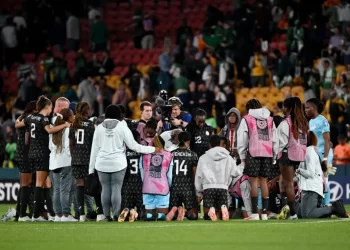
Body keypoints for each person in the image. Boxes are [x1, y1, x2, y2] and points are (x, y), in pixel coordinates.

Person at [89, 105, 157, 220]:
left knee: (105, 189)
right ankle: (116, 215)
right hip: (118, 164)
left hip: (101, 163)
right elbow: (134, 146)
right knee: (116, 188)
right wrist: (153, 149)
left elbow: (94, 150)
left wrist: (91, 169)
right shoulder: (122, 127)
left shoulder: (99, 128)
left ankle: (106, 216)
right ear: (118, 114)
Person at [23, 96, 70, 222]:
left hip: (31, 153)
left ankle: (51, 213)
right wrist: (65, 125)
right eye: (50, 107)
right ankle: (36, 214)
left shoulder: (30, 117)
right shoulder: (43, 119)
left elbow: (19, 123)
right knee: (40, 184)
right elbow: (49, 130)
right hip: (41, 153)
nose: (50, 111)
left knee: (46, 184)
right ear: (47, 106)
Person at [237, 99, 278, 220]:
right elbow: (275, 139)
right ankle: (264, 214)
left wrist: (242, 156)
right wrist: (274, 155)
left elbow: (242, 139)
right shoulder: (270, 119)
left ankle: (254, 214)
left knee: (253, 182)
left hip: (253, 153)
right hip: (267, 153)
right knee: (264, 182)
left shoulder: (247, 119)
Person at [296, 131, 348, 219]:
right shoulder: (307, 153)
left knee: (308, 215)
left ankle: (333, 208)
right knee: (300, 214)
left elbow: (311, 174)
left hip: (312, 188)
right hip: (307, 187)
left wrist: (298, 170)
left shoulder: (310, 154)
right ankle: (319, 209)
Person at [69, 102, 103, 222]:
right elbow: (94, 144)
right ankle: (100, 214)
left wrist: (75, 156)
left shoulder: (73, 124)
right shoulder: (90, 125)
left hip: (76, 159)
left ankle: (81, 215)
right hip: (88, 159)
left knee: (80, 186)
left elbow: (71, 144)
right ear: (87, 111)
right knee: (94, 186)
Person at [195, 135, 241, 221]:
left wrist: (198, 193)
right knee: (221, 209)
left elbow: (198, 176)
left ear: (210, 145)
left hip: (208, 188)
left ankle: (210, 211)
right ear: (220, 144)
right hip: (223, 188)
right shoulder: (228, 157)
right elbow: (236, 173)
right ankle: (223, 208)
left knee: (206, 216)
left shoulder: (203, 157)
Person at [277, 97, 309, 220]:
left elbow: (281, 142)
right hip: (299, 155)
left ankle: (293, 213)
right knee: (283, 181)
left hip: (286, 154)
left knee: (288, 183)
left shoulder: (286, 123)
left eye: (285, 107)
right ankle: (285, 208)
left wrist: (275, 153)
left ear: (289, 108)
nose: (283, 109)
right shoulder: (303, 122)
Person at [49, 108, 77, 222]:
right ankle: (66, 215)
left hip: (54, 162)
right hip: (66, 161)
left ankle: (58, 215)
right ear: (68, 117)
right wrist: (71, 158)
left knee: (56, 189)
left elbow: (50, 147)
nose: (74, 116)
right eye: (72, 115)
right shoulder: (68, 129)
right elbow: (67, 146)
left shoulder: (54, 128)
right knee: (65, 189)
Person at [305, 98, 334, 206]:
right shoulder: (311, 121)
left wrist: (326, 159)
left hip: (324, 154)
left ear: (314, 108)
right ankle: (320, 204)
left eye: (307, 108)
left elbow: (327, 140)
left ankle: (327, 204)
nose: (305, 110)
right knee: (318, 180)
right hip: (316, 154)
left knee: (324, 179)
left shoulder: (322, 120)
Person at [139, 136, 173, 221]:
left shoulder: (144, 156)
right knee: (164, 216)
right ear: (163, 145)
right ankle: (159, 216)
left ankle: (149, 216)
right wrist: (169, 186)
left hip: (147, 188)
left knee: (149, 215)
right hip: (162, 188)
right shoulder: (169, 155)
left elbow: (142, 174)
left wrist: (146, 183)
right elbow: (170, 175)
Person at [166, 132, 198, 221]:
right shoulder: (193, 155)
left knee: (173, 216)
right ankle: (185, 212)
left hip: (174, 187)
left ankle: (177, 211)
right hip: (188, 188)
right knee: (194, 216)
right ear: (188, 142)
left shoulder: (171, 154)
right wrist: (197, 189)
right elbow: (195, 173)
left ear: (178, 140)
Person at [14, 101, 36, 222]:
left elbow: (17, 124)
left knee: (23, 185)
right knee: (27, 184)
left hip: (20, 154)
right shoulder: (29, 120)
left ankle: (19, 213)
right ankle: (23, 214)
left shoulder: (21, 118)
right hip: (26, 154)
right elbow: (28, 139)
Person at [118, 130, 144, 222]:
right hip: (139, 184)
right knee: (143, 214)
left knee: (125, 209)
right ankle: (136, 213)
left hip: (127, 184)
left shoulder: (123, 152)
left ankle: (129, 211)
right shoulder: (142, 151)